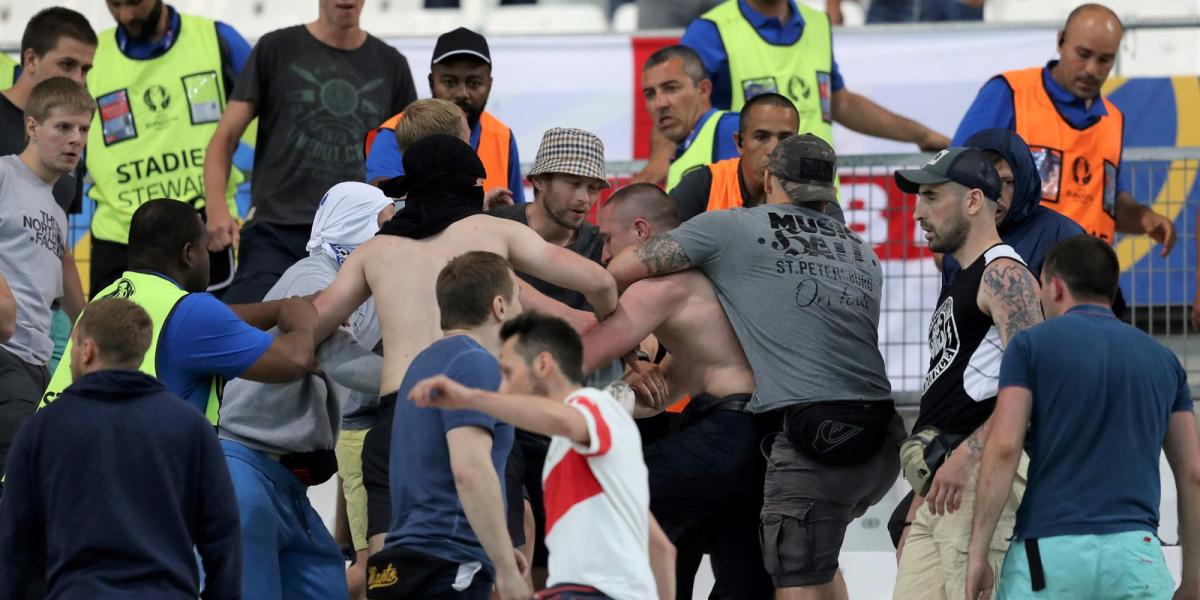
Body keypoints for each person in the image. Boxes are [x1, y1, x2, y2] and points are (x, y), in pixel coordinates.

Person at [608, 134, 905, 600]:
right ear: (831, 188)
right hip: (882, 442)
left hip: (810, 436)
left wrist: (631, 350)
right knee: (817, 569)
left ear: (768, 178)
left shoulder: (735, 227)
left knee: (794, 582)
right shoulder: (862, 252)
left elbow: (621, 267)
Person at [311, 134, 617, 556]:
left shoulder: (375, 251)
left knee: (395, 571)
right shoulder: (494, 231)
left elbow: (314, 321)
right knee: (497, 568)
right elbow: (600, 281)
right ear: (470, 185)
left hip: (398, 416)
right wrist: (610, 319)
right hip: (476, 407)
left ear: (411, 190)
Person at [966, 234, 1200, 600]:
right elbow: (1193, 474)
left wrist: (977, 554)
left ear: (1056, 287)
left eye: (1041, 285)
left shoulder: (1031, 347)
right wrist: (1194, 579)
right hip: (1135, 556)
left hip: (1048, 552)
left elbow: (1005, 446)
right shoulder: (1165, 361)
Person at [587, 183, 771, 599]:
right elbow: (664, 390)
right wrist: (624, 391)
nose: (603, 255)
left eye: (606, 240)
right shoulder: (710, 287)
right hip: (756, 440)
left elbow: (582, 356)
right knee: (743, 580)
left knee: (614, 490)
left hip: (727, 431)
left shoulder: (661, 287)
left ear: (639, 232)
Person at [410, 312, 677, 600]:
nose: (502, 385)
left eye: (508, 372)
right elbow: (662, 548)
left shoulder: (593, 404)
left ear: (543, 364)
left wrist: (470, 398)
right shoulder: (583, 449)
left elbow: (564, 421)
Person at [217, 182, 391, 600]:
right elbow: (338, 358)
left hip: (288, 480)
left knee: (327, 586)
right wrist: (425, 379)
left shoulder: (366, 289)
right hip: (246, 464)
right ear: (357, 228)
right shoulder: (314, 277)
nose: (394, 237)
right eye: (384, 226)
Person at [0, 298, 241, 599]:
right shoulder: (191, 426)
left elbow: (14, 544)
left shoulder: (42, 429)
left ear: (86, 351)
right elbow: (223, 532)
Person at [890, 147, 1044, 600]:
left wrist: (968, 454)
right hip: (943, 481)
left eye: (932, 197)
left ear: (974, 202)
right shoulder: (964, 276)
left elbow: (1032, 387)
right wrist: (922, 493)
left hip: (976, 478)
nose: (918, 212)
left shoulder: (1004, 274)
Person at [204, 0, 418, 303]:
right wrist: (216, 209)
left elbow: (411, 156)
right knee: (244, 329)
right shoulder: (275, 49)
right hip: (275, 231)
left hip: (359, 235)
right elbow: (224, 137)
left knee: (349, 338)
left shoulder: (392, 64)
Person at [40, 198, 318, 423]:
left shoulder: (107, 297)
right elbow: (293, 360)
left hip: (54, 470)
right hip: (126, 479)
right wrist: (305, 322)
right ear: (189, 254)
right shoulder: (192, 314)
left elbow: (209, 320)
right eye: (206, 249)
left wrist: (281, 307)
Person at [636, 0, 950, 186]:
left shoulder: (817, 25)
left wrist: (920, 135)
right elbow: (677, 101)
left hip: (820, 196)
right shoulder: (711, 29)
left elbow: (838, 101)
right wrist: (659, 162)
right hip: (751, 201)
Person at [368, 251, 530, 600]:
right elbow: (470, 469)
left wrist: (496, 544)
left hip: (403, 564)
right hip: (447, 561)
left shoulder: (422, 364)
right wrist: (505, 568)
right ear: (500, 307)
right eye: (518, 298)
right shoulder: (477, 363)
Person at [953, 4, 1174, 254]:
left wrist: (1143, 217)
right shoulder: (1010, 92)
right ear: (1060, 40)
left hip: (1086, 276)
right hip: (1016, 269)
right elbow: (957, 171)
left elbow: (1109, 201)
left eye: (1105, 60)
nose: (1092, 69)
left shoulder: (1113, 120)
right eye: (1083, 54)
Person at [85, 0, 254, 298]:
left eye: (134, 2)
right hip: (118, 240)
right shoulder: (90, 56)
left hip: (200, 234)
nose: (125, 15)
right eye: (115, 4)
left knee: (207, 339)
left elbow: (277, 113)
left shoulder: (216, 39)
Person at [0, 77, 90, 486]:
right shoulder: (3, 176)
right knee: (23, 480)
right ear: (32, 126)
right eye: (64, 127)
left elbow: (68, 282)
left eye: (84, 129)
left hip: (40, 363)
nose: (76, 139)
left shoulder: (55, 210)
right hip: (6, 352)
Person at [365, 27, 524, 204]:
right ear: (431, 82)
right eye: (450, 82)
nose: (463, 93)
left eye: (474, 83)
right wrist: (476, 206)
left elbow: (517, 210)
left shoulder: (503, 136)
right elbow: (383, 207)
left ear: (490, 84)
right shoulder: (395, 131)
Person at [940, 129, 1085, 284]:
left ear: (1024, 183)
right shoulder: (957, 240)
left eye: (1007, 183)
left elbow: (1088, 307)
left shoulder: (1062, 236)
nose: (995, 195)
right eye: (982, 182)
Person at [0, 7, 94, 216]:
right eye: (67, 65)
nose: (79, 80)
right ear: (32, 60)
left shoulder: (73, 138)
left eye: (85, 70)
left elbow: (57, 237)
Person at [668, 92, 797, 221]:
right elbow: (659, 239)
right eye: (761, 137)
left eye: (786, 139)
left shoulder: (810, 190)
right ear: (739, 142)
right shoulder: (704, 185)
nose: (773, 150)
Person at [640, 46, 740, 191]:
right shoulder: (682, 153)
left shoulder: (730, 129)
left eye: (671, 88)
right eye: (650, 94)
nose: (659, 104)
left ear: (703, 90)